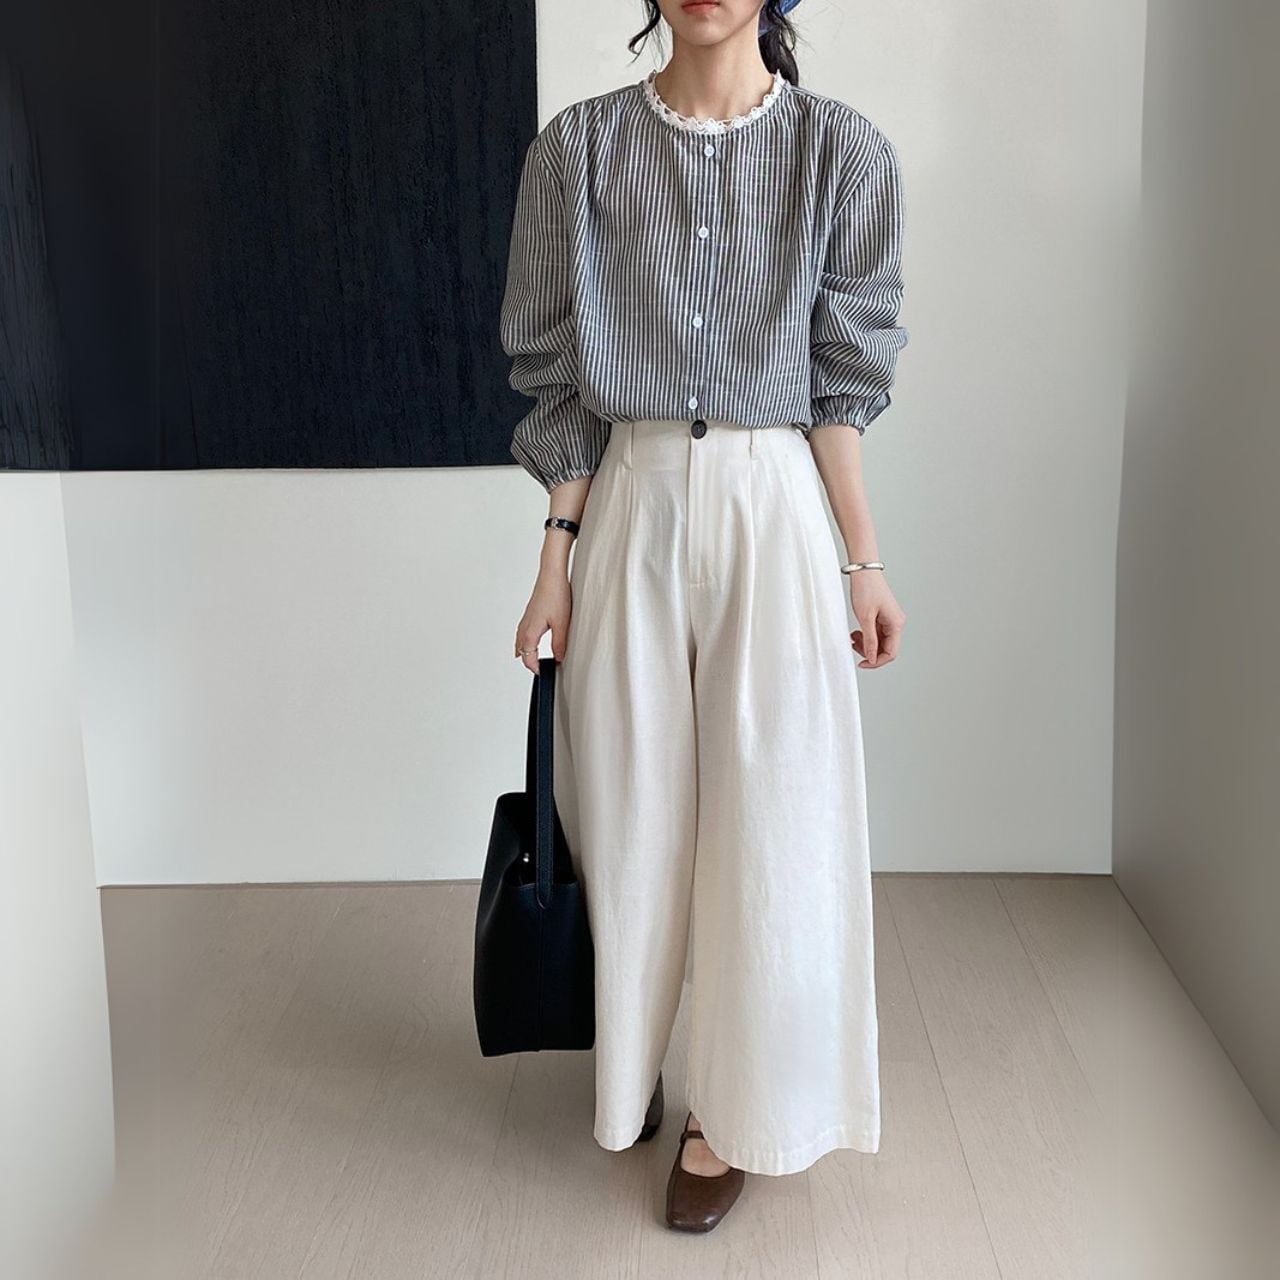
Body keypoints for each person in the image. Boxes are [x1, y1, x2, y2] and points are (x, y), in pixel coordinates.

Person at [500, 0, 908, 1233]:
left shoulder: (842, 153)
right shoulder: (575, 152)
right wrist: (554, 554)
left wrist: (862, 558)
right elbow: (557, 379)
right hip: (627, 497)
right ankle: (632, 1071)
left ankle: (729, 1113)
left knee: (772, 819)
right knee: (627, 812)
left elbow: (838, 379)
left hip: (770, 501)